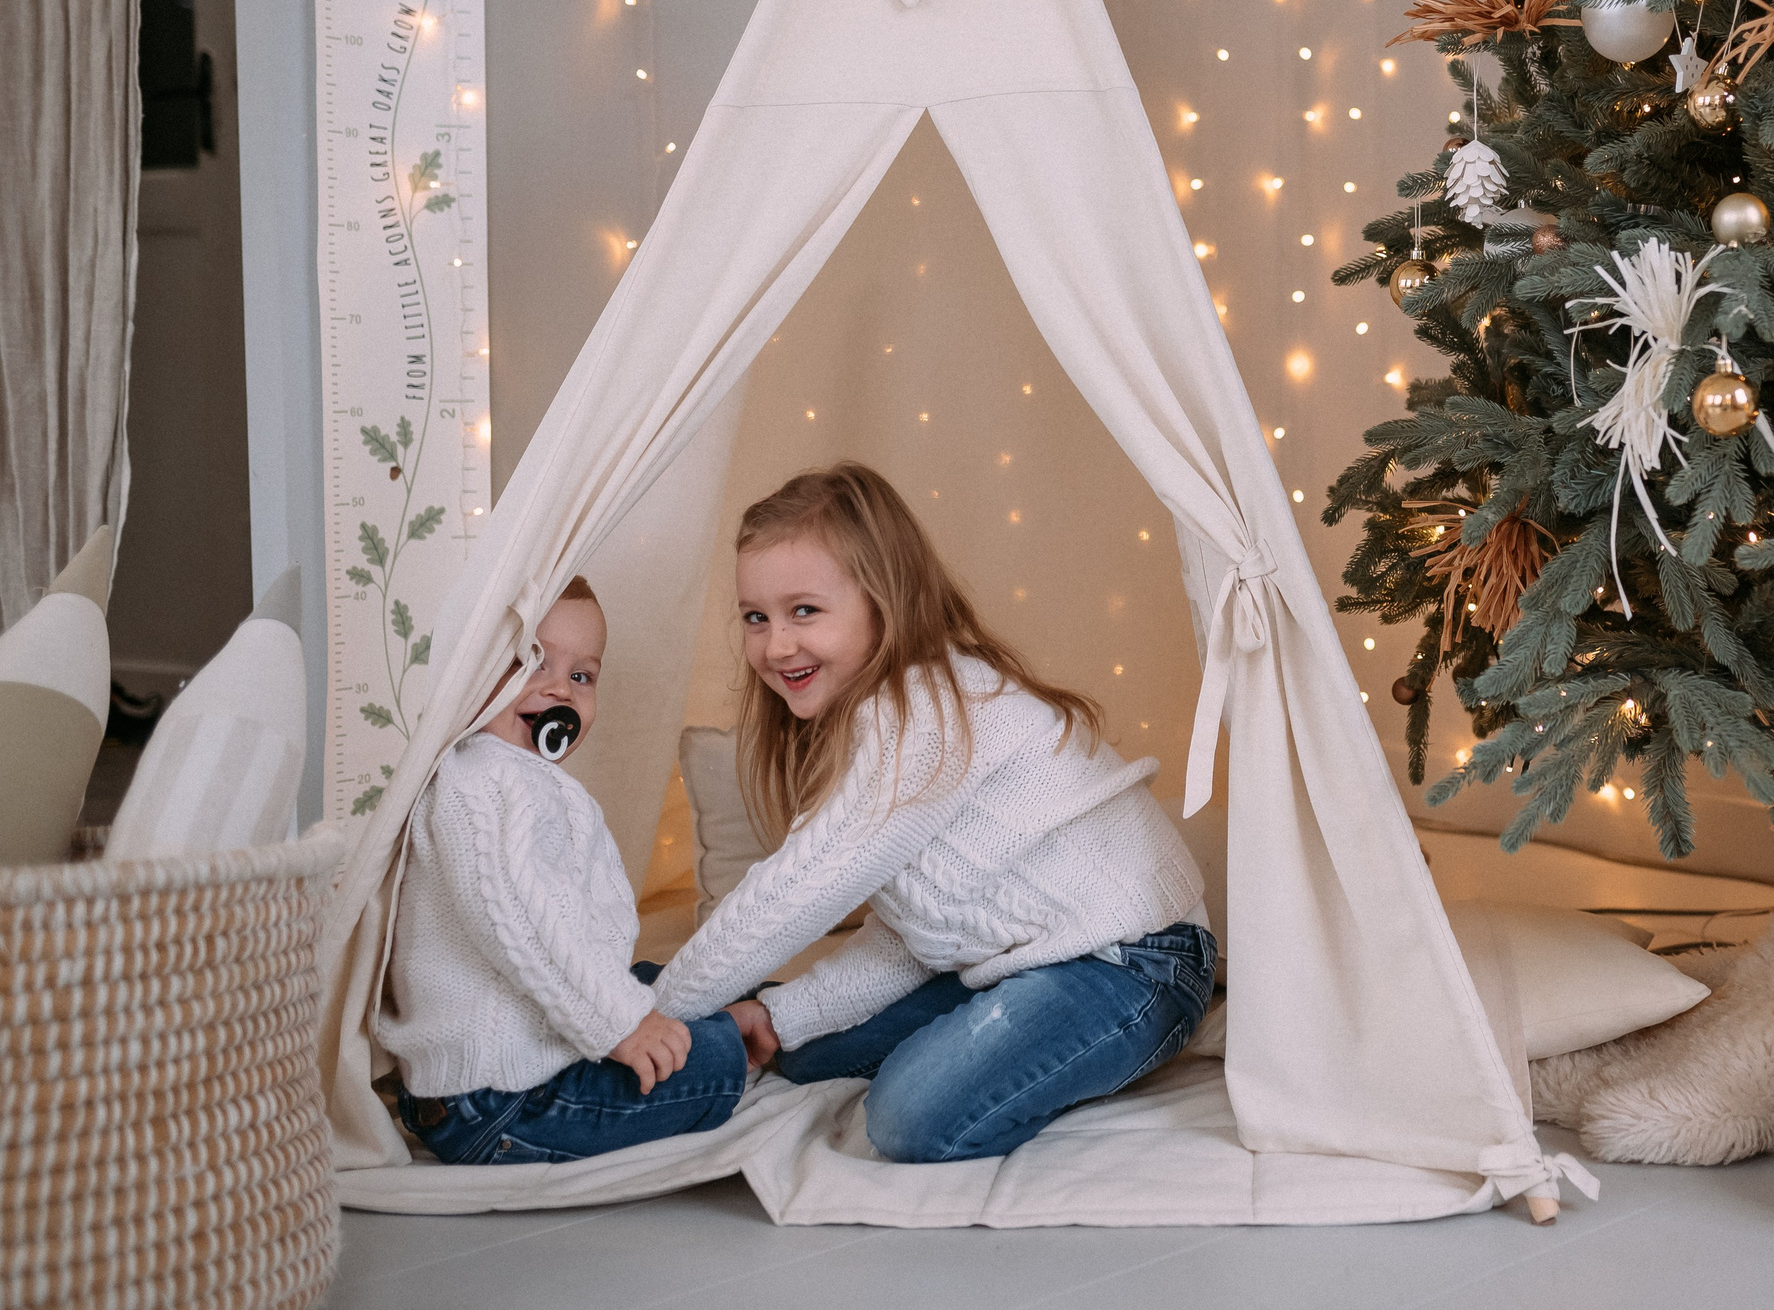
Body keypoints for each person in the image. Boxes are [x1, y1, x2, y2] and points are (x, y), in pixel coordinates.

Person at [649, 462, 1213, 1164]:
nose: (776, 644)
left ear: (883, 602)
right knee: (795, 1047)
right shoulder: (870, 721)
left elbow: (792, 892)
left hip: (1133, 961)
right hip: (1014, 960)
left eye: (805, 611)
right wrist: (778, 1014)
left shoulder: (924, 713)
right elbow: (916, 933)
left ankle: (631, 1026)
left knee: (910, 1116)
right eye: (755, 617)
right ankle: (631, 1013)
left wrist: (650, 1018)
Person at [377, 578, 753, 1164]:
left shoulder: (510, 776)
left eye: (582, 676)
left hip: (492, 1077)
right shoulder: (483, 784)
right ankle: (745, 1040)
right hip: (504, 1099)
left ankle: (711, 1017)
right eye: (531, 662)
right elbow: (523, 924)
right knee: (716, 1058)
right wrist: (624, 1025)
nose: (559, 688)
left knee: (668, 977)